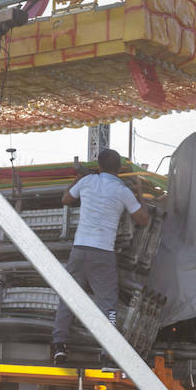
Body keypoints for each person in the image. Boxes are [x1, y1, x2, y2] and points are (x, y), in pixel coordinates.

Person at [50, 148, 150, 363]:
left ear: (99, 166)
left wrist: (78, 179)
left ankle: (59, 345)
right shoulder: (122, 191)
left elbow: (65, 199)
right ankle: (109, 350)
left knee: (68, 297)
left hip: (79, 250)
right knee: (108, 304)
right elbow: (143, 219)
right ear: (120, 168)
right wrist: (139, 192)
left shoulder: (88, 182)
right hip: (103, 253)